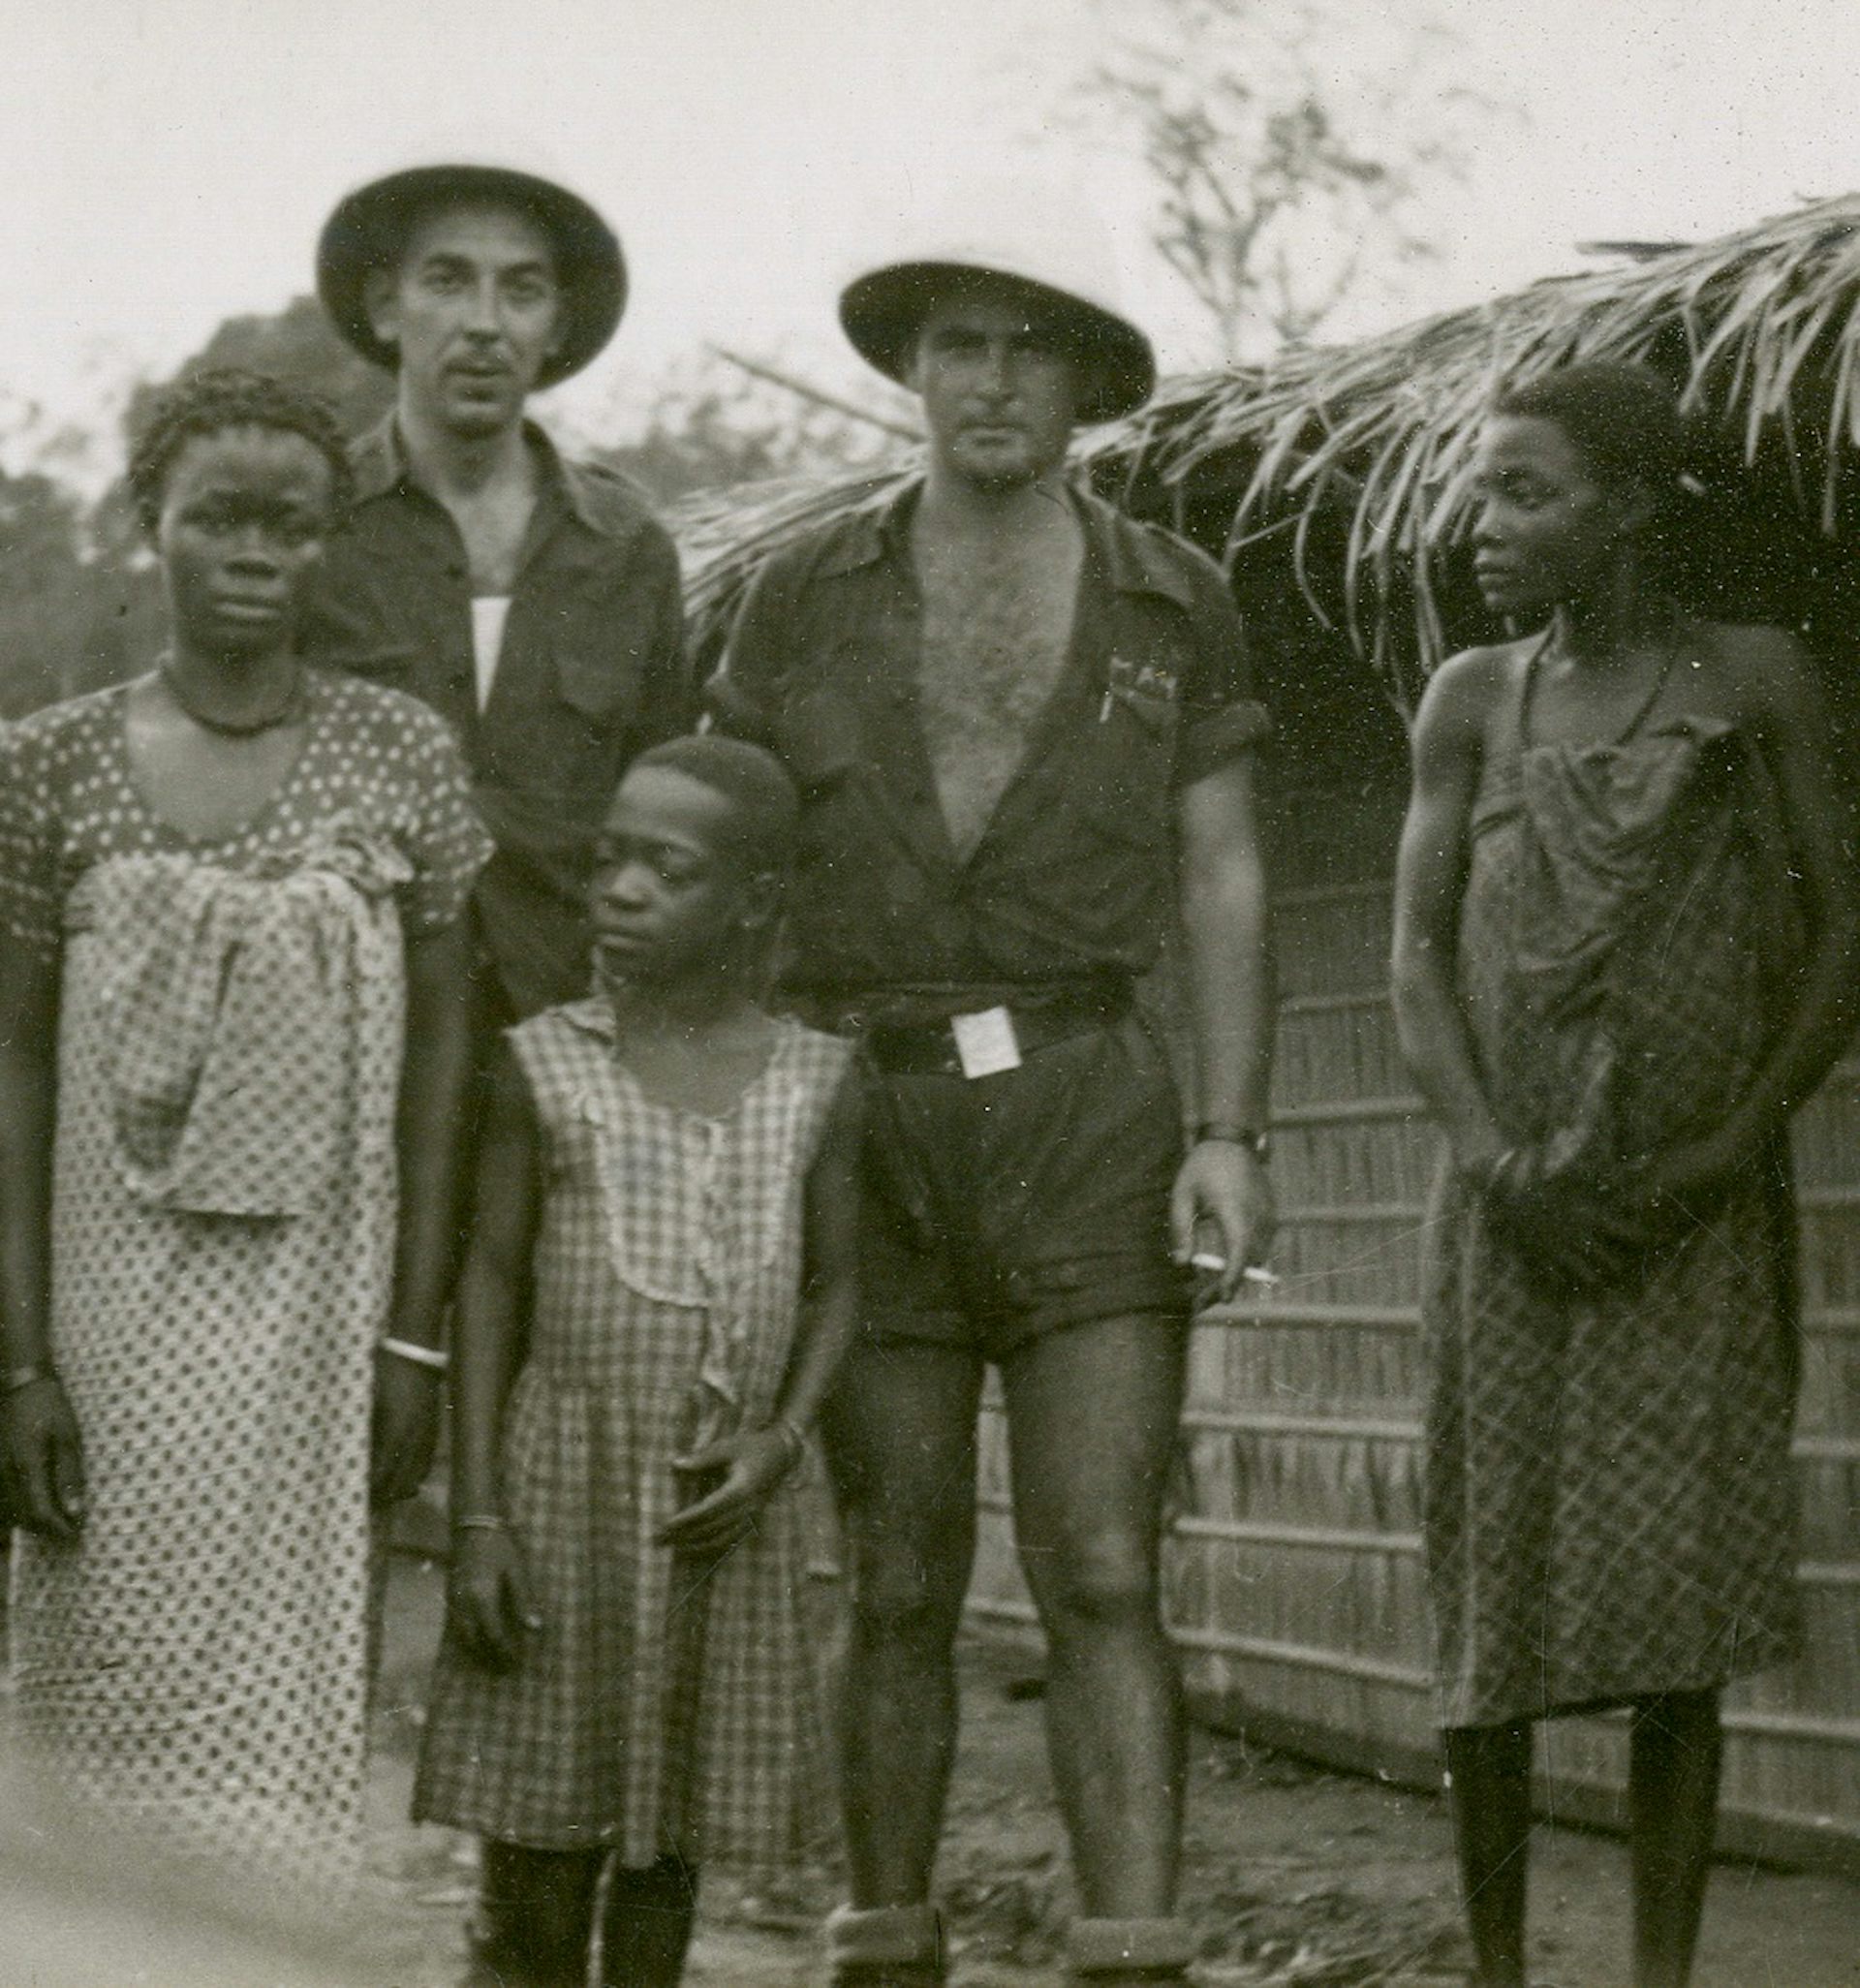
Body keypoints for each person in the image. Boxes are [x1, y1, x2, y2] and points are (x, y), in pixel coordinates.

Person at [709, 187, 1275, 1988]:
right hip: (863, 1121)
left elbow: (1223, 871)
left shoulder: (1172, 599)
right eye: (960, 340)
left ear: (1091, 384)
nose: (993, 380)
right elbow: (726, 853)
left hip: (1088, 1109)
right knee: (892, 1575)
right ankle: (885, 1944)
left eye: (1034, 346)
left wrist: (1232, 1133)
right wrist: (734, 1136)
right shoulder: (804, 593)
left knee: (1105, 1564)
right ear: (911, 367)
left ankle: (1133, 1952)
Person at [1389, 360, 1859, 1988]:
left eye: (1528, 492)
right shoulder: (1469, 698)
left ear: (1633, 507)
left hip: (1690, 1210)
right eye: (1483, 490)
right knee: (1490, 1613)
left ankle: (1662, 1971)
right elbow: (1413, 960)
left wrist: (1734, 1146)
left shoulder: (1752, 682)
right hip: (1509, 1219)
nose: (1485, 526)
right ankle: (1502, 1968)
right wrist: (1493, 1158)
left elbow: (1841, 939)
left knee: (1678, 1623)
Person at [0, 370, 491, 1896]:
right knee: (98, 1653)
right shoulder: (45, 765)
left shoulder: (400, 752)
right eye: (218, 515)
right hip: (107, 1320)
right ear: (153, 524)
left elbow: (447, 1053)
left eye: (291, 521)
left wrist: (413, 1337)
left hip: (320, 1314)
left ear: (331, 541)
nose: (254, 550)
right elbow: (11, 1065)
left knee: (285, 1689)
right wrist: (22, 1363)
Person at [413, 736, 863, 1988]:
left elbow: (841, 1286)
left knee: (667, 1860)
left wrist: (779, 1438)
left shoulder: (816, 1080)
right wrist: (480, 1519)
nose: (618, 890)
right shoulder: (543, 1062)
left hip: (716, 1517)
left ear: (757, 900)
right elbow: (490, 1282)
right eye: (608, 860)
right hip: (562, 1495)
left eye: (666, 870)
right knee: (542, 1864)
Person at [308, 153, 693, 1023]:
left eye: (522, 291)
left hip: (565, 1017)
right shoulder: (312, 526)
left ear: (557, 325)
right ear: (384, 306)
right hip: (346, 1022)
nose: (484, 325)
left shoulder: (629, 550)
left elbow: (663, 808)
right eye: (447, 281)